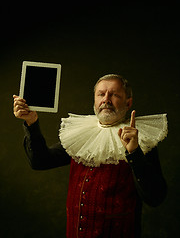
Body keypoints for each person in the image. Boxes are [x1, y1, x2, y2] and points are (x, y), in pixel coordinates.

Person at [13, 74, 167, 238]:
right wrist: (31, 123)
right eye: (101, 94)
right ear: (94, 100)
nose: (106, 100)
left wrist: (134, 153)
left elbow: (155, 197)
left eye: (114, 94)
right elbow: (40, 161)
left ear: (128, 102)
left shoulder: (141, 140)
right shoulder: (81, 135)